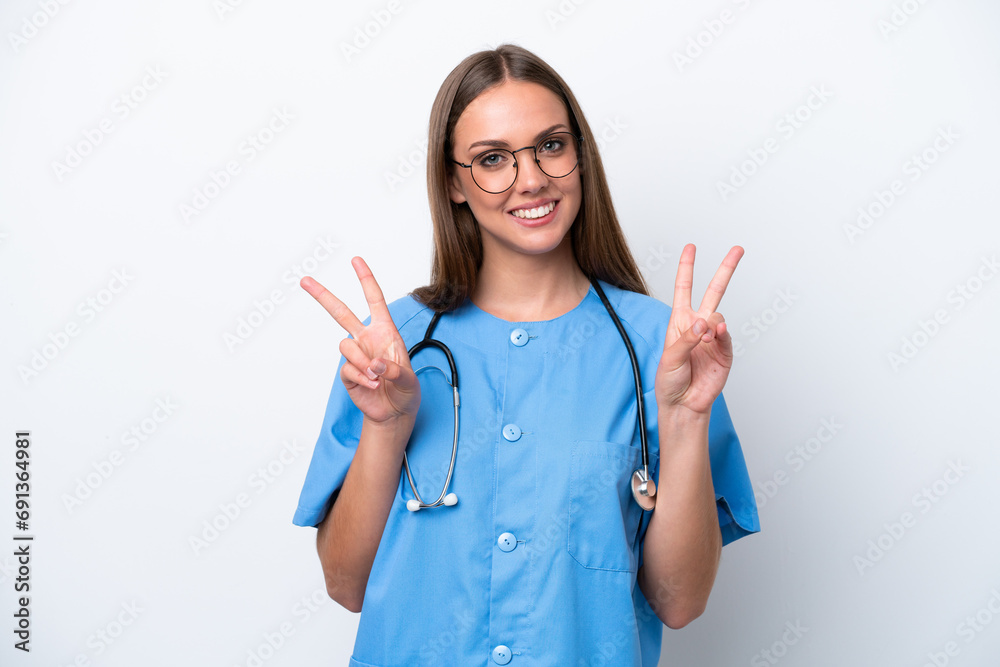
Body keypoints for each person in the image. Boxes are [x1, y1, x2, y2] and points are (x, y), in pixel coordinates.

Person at [292, 44, 759, 667]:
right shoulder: (394, 347)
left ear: (580, 157)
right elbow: (346, 585)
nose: (532, 179)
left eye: (551, 146)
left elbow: (679, 602)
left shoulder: (664, 348)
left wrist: (687, 417)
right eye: (492, 160)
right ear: (455, 183)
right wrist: (385, 427)